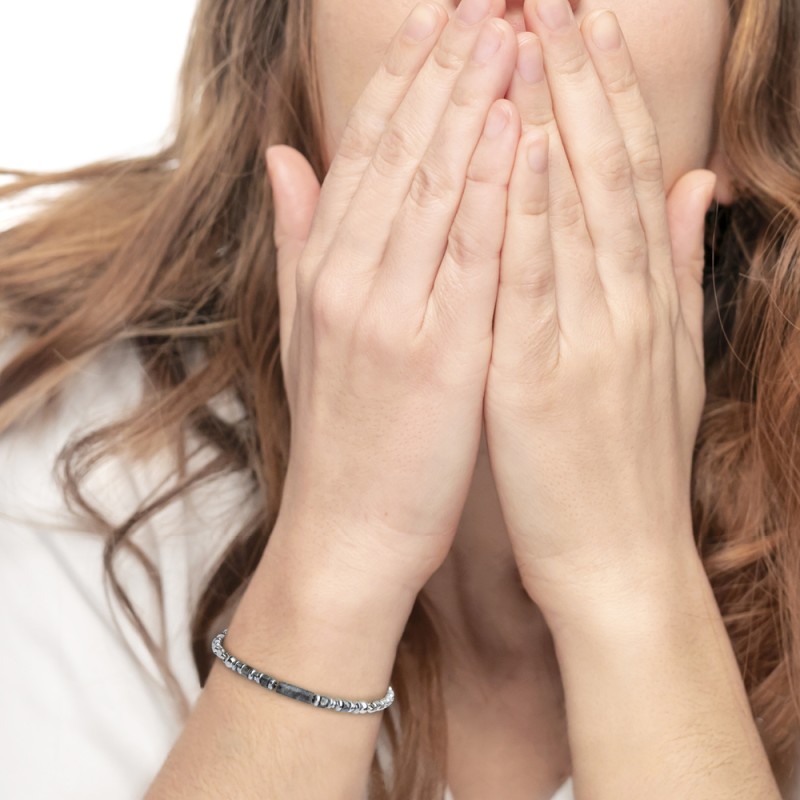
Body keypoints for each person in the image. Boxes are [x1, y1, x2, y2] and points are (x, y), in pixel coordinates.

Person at [0, 0, 798, 797]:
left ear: (743, 88)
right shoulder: (46, 435)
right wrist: (339, 557)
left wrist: (630, 574)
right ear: (293, 61)